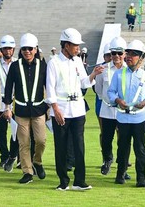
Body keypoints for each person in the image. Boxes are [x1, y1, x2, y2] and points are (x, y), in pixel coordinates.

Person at [46, 28, 104, 191]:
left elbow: (84, 83)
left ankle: (80, 180)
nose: (78, 48)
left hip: (78, 109)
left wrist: (93, 74)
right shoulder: (53, 63)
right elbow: (50, 88)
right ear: (65, 45)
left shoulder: (78, 60)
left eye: (78, 45)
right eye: (75, 45)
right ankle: (63, 181)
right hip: (61, 110)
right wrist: (55, 109)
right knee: (61, 147)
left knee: (79, 146)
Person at [108, 40, 145, 187]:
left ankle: (141, 178)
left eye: (133, 54)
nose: (129, 57)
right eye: (128, 53)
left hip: (139, 118)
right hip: (122, 117)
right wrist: (117, 99)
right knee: (122, 148)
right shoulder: (118, 74)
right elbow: (110, 91)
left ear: (141, 57)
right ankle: (120, 175)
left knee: (140, 149)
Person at [3, 33, 49, 184]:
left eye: (30, 49)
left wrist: (50, 106)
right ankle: (27, 171)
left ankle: (37, 162)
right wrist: (7, 107)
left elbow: (49, 86)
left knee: (41, 140)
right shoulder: (15, 66)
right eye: (24, 49)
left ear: (36, 49)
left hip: (39, 110)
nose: (27, 52)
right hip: (21, 111)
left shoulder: (43, 65)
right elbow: (9, 87)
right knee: (24, 143)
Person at [94, 38, 125, 177]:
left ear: (124, 53)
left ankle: (122, 166)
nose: (116, 56)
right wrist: (107, 100)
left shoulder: (128, 69)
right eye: (114, 53)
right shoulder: (104, 69)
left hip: (123, 110)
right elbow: (98, 89)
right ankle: (107, 159)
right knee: (106, 138)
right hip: (107, 109)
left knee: (123, 139)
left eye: (119, 53)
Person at [0, 35, 19, 172]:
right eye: (5, 48)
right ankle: (4, 156)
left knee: (16, 131)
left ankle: (13, 155)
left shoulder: (18, 64)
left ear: (14, 49)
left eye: (10, 48)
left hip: (15, 102)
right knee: (1, 132)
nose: (8, 51)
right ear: (1, 50)